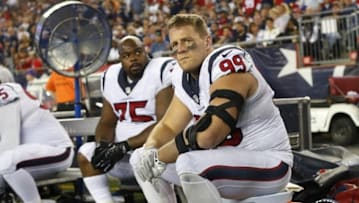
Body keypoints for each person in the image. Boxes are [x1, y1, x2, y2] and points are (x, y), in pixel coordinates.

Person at [130, 14, 293, 202]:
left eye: (187, 41)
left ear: (207, 41)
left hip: (269, 163)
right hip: (225, 164)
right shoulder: (183, 77)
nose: (180, 50)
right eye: (175, 44)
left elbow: (210, 134)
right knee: (140, 158)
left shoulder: (227, 63)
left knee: (188, 163)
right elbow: (168, 126)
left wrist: (159, 156)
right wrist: (151, 149)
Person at [76, 35, 176, 203]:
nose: (133, 58)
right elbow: (107, 121)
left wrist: (124, 146)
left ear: (145, 51)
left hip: (156, 151)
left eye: (137, 52)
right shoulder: (110, 76)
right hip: (122, 155)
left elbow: (164, 123)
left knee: (143, 158)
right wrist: (104, 146)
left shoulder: (160, 70)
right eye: (126, 55)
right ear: (120, 58)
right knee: (86, 153)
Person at [0, 66, 74, 203]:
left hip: (56, 150)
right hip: (27, 154)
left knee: (6, 162)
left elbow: (8, 142)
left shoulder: (6, 94)